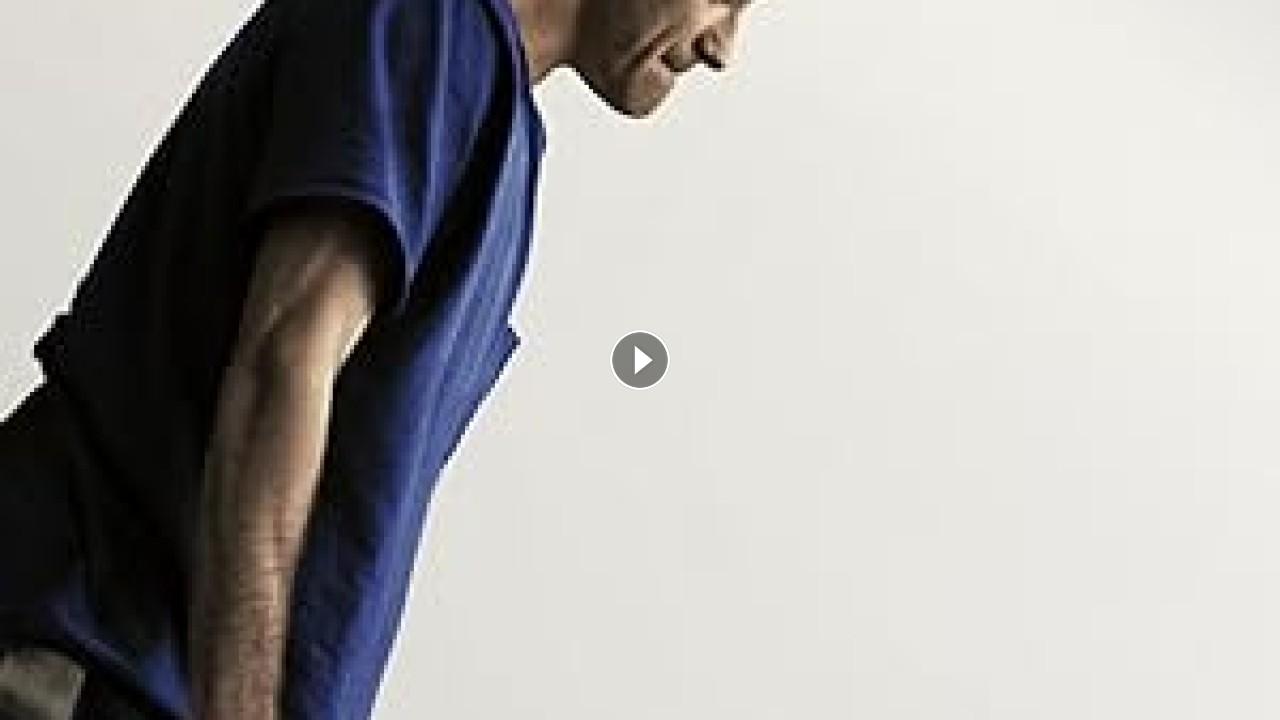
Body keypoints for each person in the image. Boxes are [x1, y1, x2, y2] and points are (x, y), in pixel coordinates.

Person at [0, 0, 753, 717]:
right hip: (79, 658)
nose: (722, 47)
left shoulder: (503, 126)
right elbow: (284, 360)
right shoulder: (429, 27)